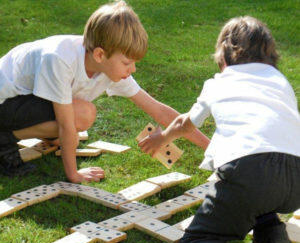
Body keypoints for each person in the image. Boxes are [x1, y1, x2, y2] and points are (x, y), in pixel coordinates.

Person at [139, 16, 300, 243]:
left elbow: (185, 124)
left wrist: (160, 139)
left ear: (224, 56)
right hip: (296, 176)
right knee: (265, 186)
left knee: (199, 239)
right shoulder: (280, 81)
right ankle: (272, 234)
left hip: (250, 172)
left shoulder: (219, 83)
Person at [0, 1, 209, 183]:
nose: (133, 69)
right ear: (100, 54)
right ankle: (3, 139)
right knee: (81, 114)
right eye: (127, 62)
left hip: (22, 102)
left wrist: (211, 148)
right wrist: (74, 175)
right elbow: (65, 124)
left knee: (81, 117)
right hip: (4, 102)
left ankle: (13, 133)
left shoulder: (109, 67)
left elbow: (159, 111)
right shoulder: (60, 59)